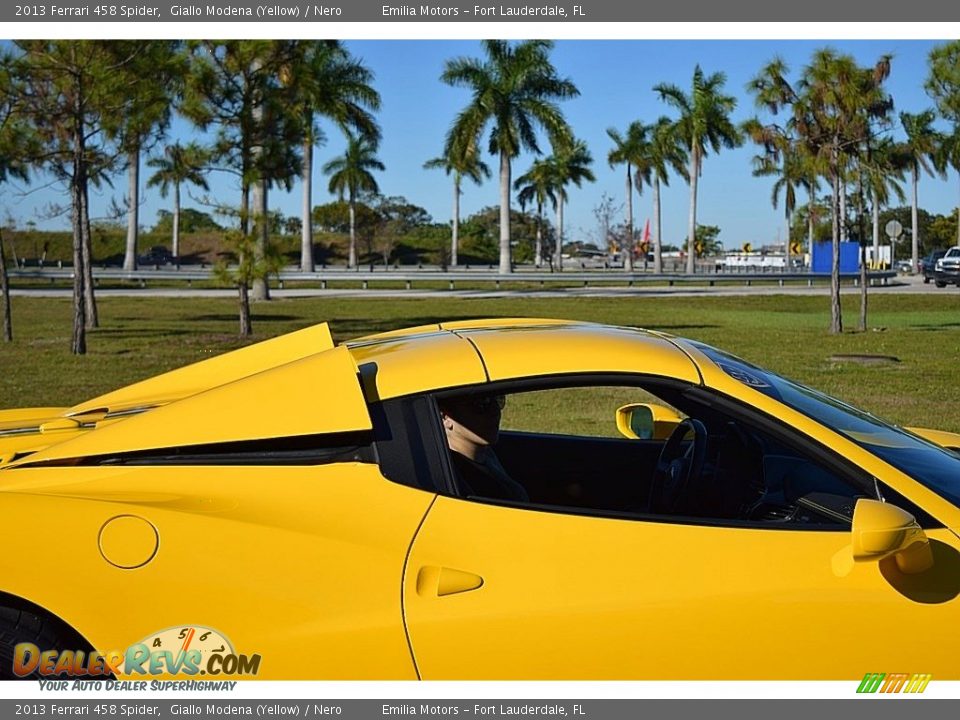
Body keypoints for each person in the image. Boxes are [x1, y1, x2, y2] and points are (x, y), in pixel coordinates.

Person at [437, 394, 529, 502]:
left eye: (498, 400)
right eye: (480, 404)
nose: (496, 412)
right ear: (445, 417)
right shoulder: (455, 479)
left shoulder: (485, 455)